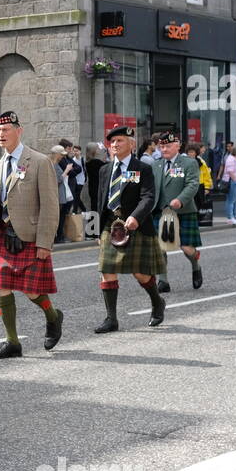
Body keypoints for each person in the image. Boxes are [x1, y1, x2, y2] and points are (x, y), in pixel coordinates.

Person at [0, 111, 64, 359]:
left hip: (29, 236)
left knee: (31, 291)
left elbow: (50, 205)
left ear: (19, 130)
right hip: (2, 237)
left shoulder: (39, 161)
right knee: (2, 288)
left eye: (6, 130)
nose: (1, 135)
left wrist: (45, 242)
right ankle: (12, 342)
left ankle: (53, 316)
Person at [94, 125, 166, 333]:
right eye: (112, 142)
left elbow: (148, 197)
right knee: (107, 270)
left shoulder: (142, 168)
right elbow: (98, 200)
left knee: (140, 274)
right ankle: (111, 319)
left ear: (132, 144)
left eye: (120, 141)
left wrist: (136, 216)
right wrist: (95, 230)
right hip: (110, 225)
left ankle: (157, 302)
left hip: (136, 226)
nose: (115, 145)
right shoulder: (105, 169)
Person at [152, 132, 204, 292]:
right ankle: (163, 281)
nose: (164, 149)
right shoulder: (156, 164)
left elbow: (193, 184)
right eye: (162, 146)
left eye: (168, 146)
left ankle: (196, 266)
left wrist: (180, 200)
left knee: (187, 248)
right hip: (161, 212)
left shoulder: (188, 163)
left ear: (177, 146)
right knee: (161, 247)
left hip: (184, 211)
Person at [48, 145, 73, 243]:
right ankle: (58, 237)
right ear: (56, 154)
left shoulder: (55, 164)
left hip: (60, 196)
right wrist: (66, 170)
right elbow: (57, 180)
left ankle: (59, 236)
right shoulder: (52, 164)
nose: (63, 156)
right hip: (57, 196)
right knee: (58, 218)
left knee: (60, 217)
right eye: (61, 155)